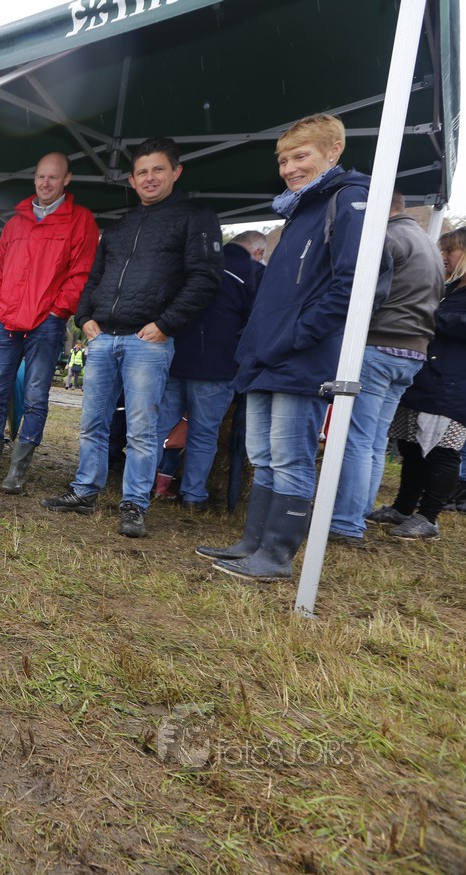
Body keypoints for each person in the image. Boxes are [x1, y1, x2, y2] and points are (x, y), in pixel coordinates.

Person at [199, 113, 389, 579]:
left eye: (300, 156)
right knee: (263, 457)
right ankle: (253, 543)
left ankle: (277, 556)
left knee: (289, 458)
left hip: (301, 358)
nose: (289, 168)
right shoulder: (300, 210)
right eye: (283, 160)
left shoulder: (350, 201)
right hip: (266, 356)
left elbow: (359, 284)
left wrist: (296, 336)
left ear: (333, 150)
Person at [41, 137, 222, 537]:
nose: (149, 178)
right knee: (93, 422)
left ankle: (134, 504)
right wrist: (84, 317)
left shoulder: (196, 217)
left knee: (142, 429)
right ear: (132, 179)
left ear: (176, 171)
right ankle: (85, 490)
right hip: (104, 337)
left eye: (158, 169)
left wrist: (166, 324)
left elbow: (205, 278)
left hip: (148, 341)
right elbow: (94, 277)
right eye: (142, 172)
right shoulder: (120, 226)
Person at [0, 153, 99, 494]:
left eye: (53, 177)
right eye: (41, 176)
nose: (45, 183)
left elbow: (81, 273)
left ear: (66, 179)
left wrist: (58, 311)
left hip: (46, 323)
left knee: (34, 396)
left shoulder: (80, 221)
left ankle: (17, 470)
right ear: (34, 179)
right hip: (6, 319)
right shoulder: (16, 223)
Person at [327, 192, 442, 547]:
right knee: (374, 440)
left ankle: (346, 522)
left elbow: (364, 294)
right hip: (412, 352)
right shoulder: (427, 242)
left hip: (379, 345)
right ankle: (356, 512)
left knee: (359, 439)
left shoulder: (388, 238)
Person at [365, 227, 466, 540]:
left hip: (452, 386)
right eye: (442, 250)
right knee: (412, 448)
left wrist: (429, 314)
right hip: (426, 380)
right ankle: (404, 507)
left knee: (442, 452)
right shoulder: (449, 289)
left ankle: (429, 518)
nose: (443, 256)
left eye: (450, 250)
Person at [152, 229, 261, 509]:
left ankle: (140, 483)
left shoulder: (197, 265)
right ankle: (193, 495)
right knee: (203, 433)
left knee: (158, 426)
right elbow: (254, 324)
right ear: (258, 252)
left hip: (176, 359)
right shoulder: (253, 274)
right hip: (218, 366)